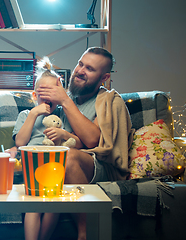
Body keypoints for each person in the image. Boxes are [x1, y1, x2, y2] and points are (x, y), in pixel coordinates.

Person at [32, 47, 133, 240]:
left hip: (97, 164)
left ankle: (85, 233)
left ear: (103, 78)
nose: (80, 71)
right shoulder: (64, 98)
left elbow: (93, 141)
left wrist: (65, 101)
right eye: (80, 64)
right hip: (60, 162)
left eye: (89, 69)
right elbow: (39, 128)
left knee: (67, 156)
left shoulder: (108, 101)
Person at [12, 57, 82, 240]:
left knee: (54, 205)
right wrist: (34, 113)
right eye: (44, 94)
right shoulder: (26, 114)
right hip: (30, 165)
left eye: (53, 94)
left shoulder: (63, 116)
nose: (49, 99)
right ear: (35, 96)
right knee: (33, 207)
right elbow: (20, 142)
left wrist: (63, 134)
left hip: (53, 169)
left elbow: (76, 141)